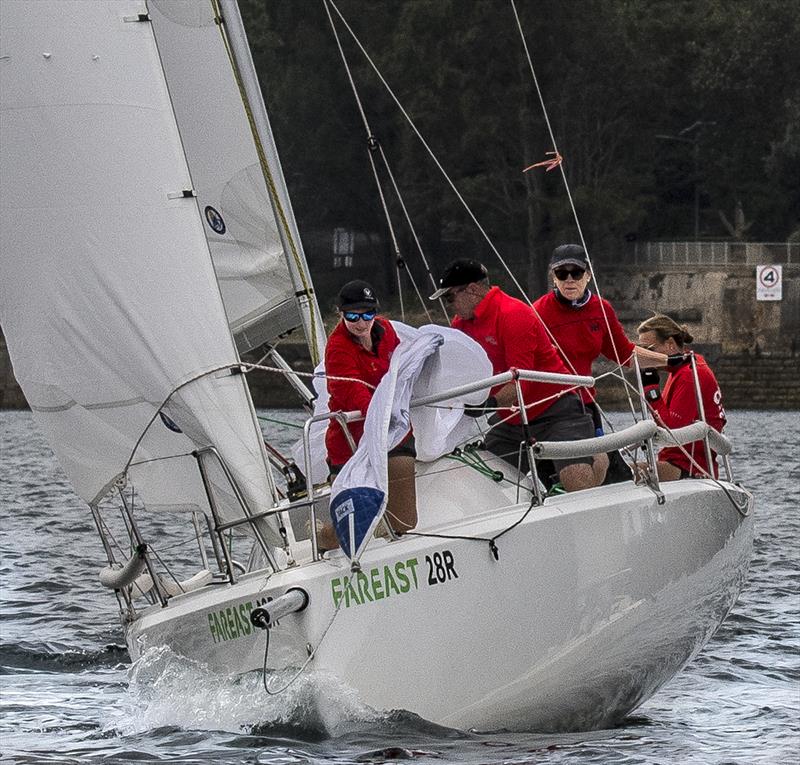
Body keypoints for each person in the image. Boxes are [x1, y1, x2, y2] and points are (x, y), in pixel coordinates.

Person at [429, 258, 598, 492]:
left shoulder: (513, 314)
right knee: (481, 483)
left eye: (450, 297)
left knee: (575, 478)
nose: (449, 306)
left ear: (473, 290)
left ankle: (600, 461)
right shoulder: (461, 325)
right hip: (512, 419)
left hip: (556, 410)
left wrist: (488, 404)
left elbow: (522, 380)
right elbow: (458, 372)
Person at [533, 244, 667, 483]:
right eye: (562, 273)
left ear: (588, 275)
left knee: (605, 466)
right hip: (551, 407)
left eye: (576, 272)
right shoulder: (538, 311)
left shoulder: (601, 309)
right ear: (554, 277)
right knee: (586, 465)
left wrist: (672, 361)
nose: (569, 279)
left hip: (585, 403)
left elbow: (624, 353)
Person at [321, 280, 417, 549]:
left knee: (405, 521)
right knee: (351, 531)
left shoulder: (386, 330)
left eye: (368, 314)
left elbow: (401, 370)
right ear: (341, 313)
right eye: (353, 316)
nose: (361, 323)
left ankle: (389, 541)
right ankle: (322, 537)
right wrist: (383, 412)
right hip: (351, 443)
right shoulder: (337, 348)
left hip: (394, 434)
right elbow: (355, 394)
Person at [637, 314, 726, 480]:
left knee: (620, 474)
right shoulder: (689, 365)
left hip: (690, 467)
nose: (644, 356)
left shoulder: (689, 376)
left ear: (670, 344)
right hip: (683, 462)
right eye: (641, 350)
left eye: (649, 350)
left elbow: (672, 433)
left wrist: (651, 391)